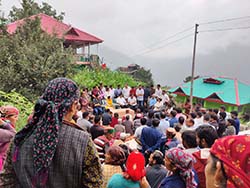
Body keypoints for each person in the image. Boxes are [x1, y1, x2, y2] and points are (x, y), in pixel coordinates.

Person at [0, 78, 103, 187]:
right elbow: (94, 184)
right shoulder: (83, 141)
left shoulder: (21, 137)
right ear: (74, 105)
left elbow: (6, 182)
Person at [0, 106, 18, 172]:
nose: (17, 119)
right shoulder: (6, 131)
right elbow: (13, 134)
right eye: (15, 117)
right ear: (6, 117)